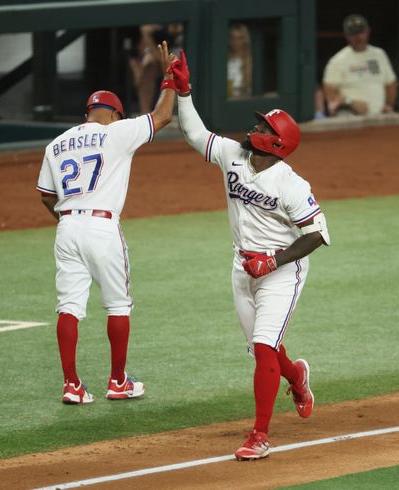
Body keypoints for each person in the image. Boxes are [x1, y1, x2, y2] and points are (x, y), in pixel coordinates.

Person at [169, 51, 327, 460]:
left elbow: (317, 235)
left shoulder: (292, 183)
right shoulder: (233, 156)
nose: (253, 128)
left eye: (262, 126)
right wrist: (184, 91)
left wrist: (272, 262)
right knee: (265, 350)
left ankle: (260, 434)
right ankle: (297, 377)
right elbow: (195, 134)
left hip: (282, 270)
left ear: (276, 141)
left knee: (262, 348)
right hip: (241, 267)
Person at [37, 42, 176, 405]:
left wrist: (68, 217)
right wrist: (170, 79)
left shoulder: (56, 144)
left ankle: (72, 385)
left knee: (69, 306)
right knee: (118, 305)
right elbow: (161, 117)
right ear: (114, 114)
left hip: (66, 228)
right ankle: (118, 381)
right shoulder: (117, 132)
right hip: (102, 227)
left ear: (89, 113)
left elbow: (46, 197)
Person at [322, 14, 398, 116]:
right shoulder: (338, 60)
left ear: (368, 31)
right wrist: (351, 102)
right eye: (353, 34)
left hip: (378, 115)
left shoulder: (379, 54)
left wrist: (388, 105)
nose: (358, 37)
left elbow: (390, 83)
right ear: (346, 35)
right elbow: (330, 93)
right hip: (350, 115)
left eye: (361, 32)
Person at [228, 23, 253, 99]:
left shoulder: (250, 61)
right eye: (233, 38)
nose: (236, 42)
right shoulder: (225, 61)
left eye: (240, 38)